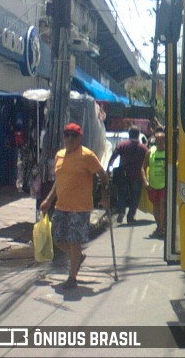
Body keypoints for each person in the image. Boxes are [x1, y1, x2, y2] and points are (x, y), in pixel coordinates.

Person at [39, 123, 110, 290]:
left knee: (73, 240)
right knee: (57, 240)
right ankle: (77, 256)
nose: (70, 139)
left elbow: (103, 176)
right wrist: (48, 200)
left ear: (80, 138)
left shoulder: (87, 155)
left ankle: (72, 278)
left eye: (74, 135)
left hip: (80, 208)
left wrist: (105, 196)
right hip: (61, 206)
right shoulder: (59, 155)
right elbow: (59, 180)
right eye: (67, 135)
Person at [107, 126, 148, 224]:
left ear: (129, 134)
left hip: (123, 175)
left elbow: (113, 157)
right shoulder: (143, 148)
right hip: (137, 175)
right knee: (135, 196)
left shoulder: (122, 145)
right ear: (138, 135)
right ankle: (130, 217)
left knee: (122, 194)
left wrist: (109, 169)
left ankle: (121, 212)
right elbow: (148, 160)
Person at [142, 127, 166, 238]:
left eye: (162, 139)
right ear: (155, 140)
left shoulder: (169, 152)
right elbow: (143, 168)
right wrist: (145, 182)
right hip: (153, 184)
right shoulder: (150, 152)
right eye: (158, 140)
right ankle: (159, 226)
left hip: (165, 185)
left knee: (162, 204)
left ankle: (161, 228)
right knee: (156, 206)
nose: (160, 142)